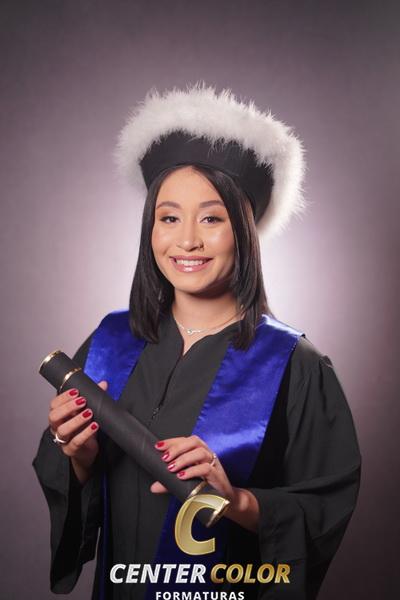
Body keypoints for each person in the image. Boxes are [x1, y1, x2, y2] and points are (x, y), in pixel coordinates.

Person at [32, 83, 361, 600]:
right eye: (168, 218)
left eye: (211, 218)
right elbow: (73, 482)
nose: (186, 240)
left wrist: (236, 501)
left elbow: (323, 509)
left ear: (244, 231)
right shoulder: (109, 341)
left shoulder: (294, 365)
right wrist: (78, 453)